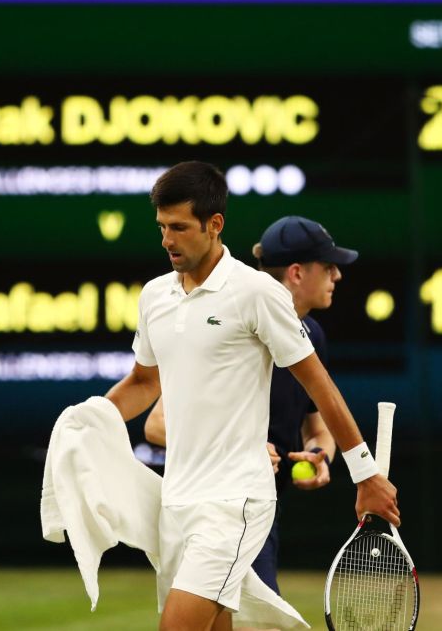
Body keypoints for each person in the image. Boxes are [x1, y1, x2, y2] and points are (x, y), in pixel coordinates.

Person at [104, 161, 398, 631]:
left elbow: (320, 387)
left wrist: (365, 475)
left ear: (214, 224)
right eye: (162, 228)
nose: (167, 240)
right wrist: (88, 419)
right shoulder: (155, 297)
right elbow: (142, 385)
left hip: (236, 503)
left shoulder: (257, 293)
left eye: (179, 228)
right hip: (177, 505)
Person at [144, 215, 357, 597]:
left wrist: (319, 454)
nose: (337, 276)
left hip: (260, 510)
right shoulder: (231, 327)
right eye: (328, 266)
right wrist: (239, 448)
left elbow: (319, 427)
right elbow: (157, 424)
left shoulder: (311, 335)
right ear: (296, 273)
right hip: (214, 507)